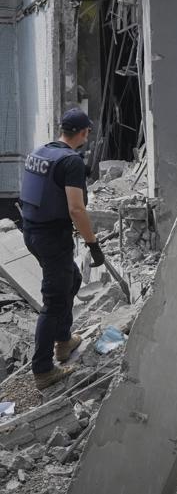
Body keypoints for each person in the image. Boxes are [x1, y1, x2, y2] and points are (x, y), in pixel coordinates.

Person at [19, 108, 104, 390]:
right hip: (52, 238)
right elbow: (76, 209)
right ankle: (43, 370)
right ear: (84, 133)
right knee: (54, 301)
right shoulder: (71, 162)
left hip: (31, 232)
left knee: (73, 279)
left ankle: (64, 340)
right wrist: (93, 244)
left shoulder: (41, 151)